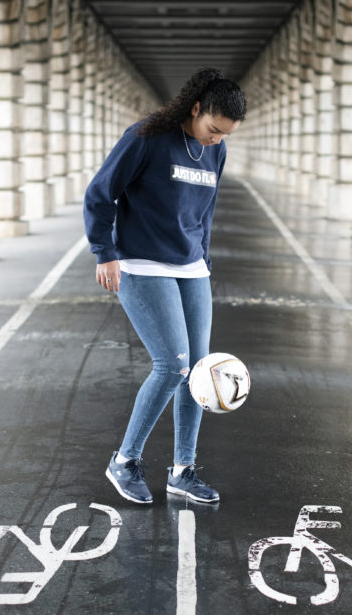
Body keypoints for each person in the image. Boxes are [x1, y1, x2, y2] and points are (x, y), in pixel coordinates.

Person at [83, 68, 247, 506]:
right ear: (195, 109)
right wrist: (105, 252)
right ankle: (125, 460)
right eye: (212, 129)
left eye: (225, 134)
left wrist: (204, 259)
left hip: (192, 267)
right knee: (172, 364)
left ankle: (183, 470)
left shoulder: (217, 150)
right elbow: (100, 193)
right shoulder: (145, 137)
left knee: (200, 370)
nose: (215, 139)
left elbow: (205, 212)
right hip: (141, 263)